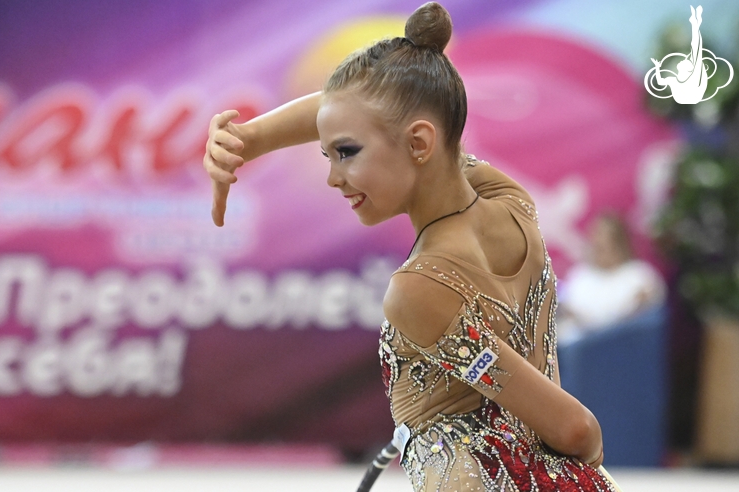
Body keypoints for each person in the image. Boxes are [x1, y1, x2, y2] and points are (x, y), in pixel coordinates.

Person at [204, 3, 620, 491]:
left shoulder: (421, 287)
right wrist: (250, 138)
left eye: (346, 153)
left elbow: (575, 426)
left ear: (420, 144)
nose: (334, 178)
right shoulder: (508, 200)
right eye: (328, 153)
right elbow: (377, 112)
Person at [557, 212, 667, 343]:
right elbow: (571, 313)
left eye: (604, 238)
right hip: (583, 351)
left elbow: (649, 307)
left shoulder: (640, 275)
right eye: (595, 236)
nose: (597, 241)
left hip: (626, 346)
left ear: (620, 244)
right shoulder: (579, 276)